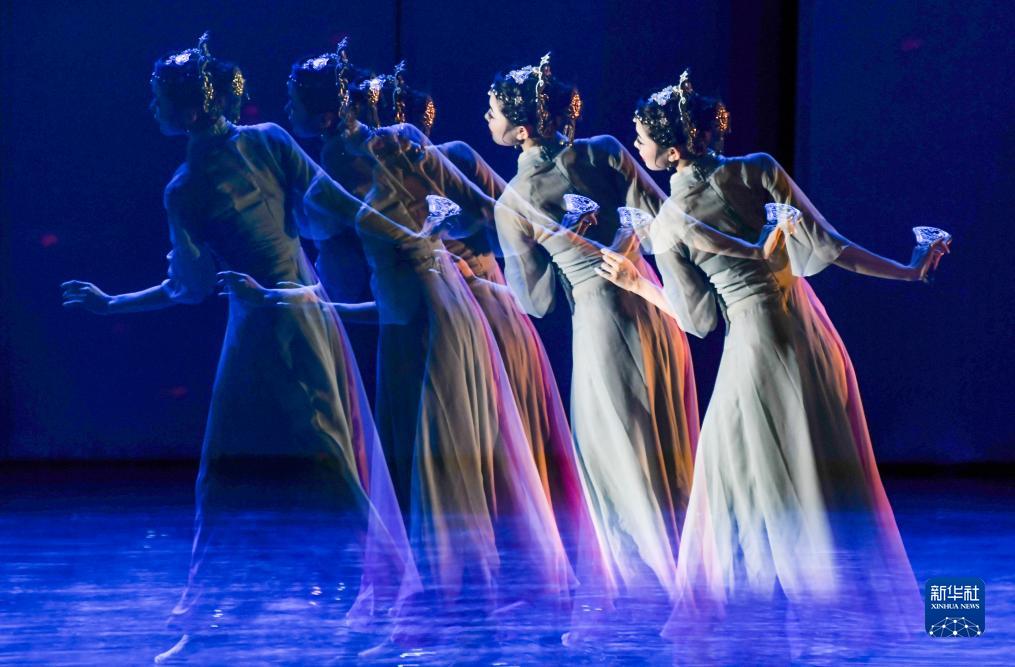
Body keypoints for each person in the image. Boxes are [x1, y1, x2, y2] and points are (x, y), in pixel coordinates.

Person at [60, 35, 418, 661]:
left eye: (160, 98)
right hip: (258, 326)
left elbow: (331, 203)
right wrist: (111, 304)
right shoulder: (193, 182)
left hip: (288, 321)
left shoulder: (250, 151)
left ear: (192, 105)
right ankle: (201, 622)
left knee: (328, 462)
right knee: (227, 475)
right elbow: (192, 283)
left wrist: (409, 237)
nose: (152, 108)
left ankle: (399, 591)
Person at [598, 68, 947, 659]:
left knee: (741, 478)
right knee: (823, 472)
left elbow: (698, 320)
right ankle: (844, 610)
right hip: (812, 335)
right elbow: (831, 246)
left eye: (642, 137)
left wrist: (637, 283)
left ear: (674, 150)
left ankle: (784, 613)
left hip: (758, 347)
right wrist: (909, 271)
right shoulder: (757, 168)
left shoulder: (670, 222)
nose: (636, 144)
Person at [283, 47, 573, 634]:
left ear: (326, 114)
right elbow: (325, 237)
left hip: (452, 310)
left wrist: (462, 251)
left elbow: (491, 214)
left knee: (452, 451)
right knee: (427, 451)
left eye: (295, 102)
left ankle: (461, 591)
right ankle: (450, 586)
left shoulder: (404, 150)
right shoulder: (344, 172)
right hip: (416, 316)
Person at [485, 54, 700, 624]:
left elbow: (538, 303)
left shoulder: (513, 201)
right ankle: (688, 583)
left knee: (617, 459)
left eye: (493, 111)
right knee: (667, 447)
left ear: (521, 129)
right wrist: (620, 245)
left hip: (603, 321)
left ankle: (658, 595)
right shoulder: (606, 150)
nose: (487, 118)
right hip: (654, 307)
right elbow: (662, 226)